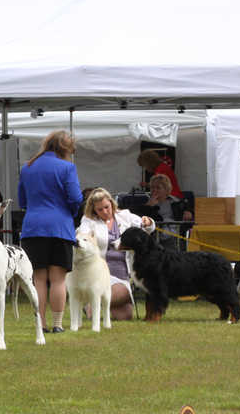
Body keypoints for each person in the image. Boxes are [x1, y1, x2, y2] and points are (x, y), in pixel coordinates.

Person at [17, 130, 83, 334]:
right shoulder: (67, 168)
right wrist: (69, 213)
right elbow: (76, 198)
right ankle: (57, 324)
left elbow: (22, 201)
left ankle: (41, 323)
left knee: (38, 278)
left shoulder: (27, 168)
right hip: (60, 227)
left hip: (33, 227)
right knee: (57, 279)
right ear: (66, 150)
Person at [76, 188, 155, 320]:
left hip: (123, 275)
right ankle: (93, 304)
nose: (105, 212)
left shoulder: (125, 215)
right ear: (94, 210)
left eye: (107, 207)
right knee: (117, 297)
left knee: (125, 316)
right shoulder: (88, 221)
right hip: (100, 274)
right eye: (100, 210)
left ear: (112, 204)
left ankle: (94, 304)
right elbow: (82, 236)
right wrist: (83, 237)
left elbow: (148, 227)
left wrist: (148, 222)